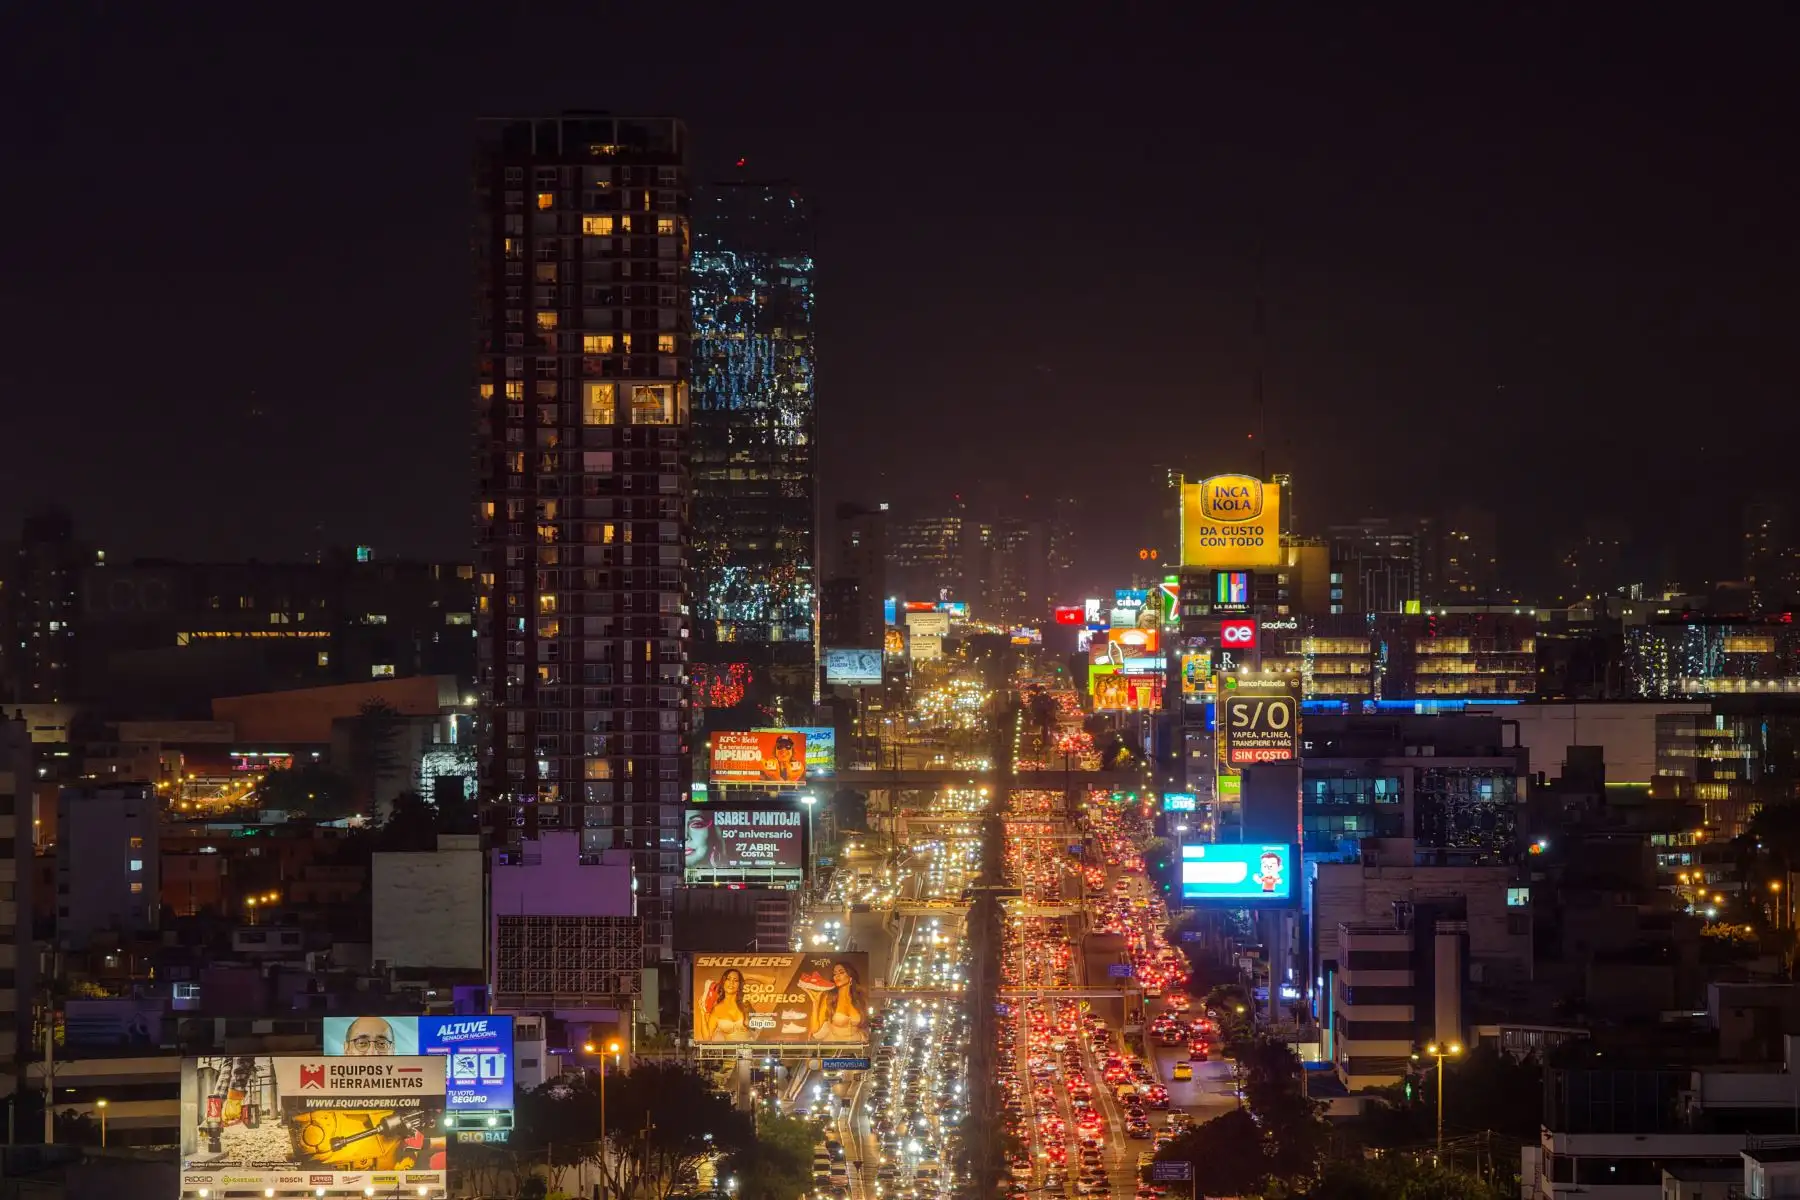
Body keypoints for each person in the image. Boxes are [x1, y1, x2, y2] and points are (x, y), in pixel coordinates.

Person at [809, 960, 865, 1042]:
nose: (837, 976)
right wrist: (815, 1003)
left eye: (841, 972)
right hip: (835, 1048)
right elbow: (815, 1029)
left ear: (850, 977)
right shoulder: (829, 997)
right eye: (835, 974)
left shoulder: (859, 998)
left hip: (857, 1049)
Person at [698, 968, 756, 1041]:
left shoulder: (746, 1003)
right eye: (728, 979)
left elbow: (770, 981)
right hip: (730, 1051)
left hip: (751, 1050)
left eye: (736, 980)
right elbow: (707, 1038)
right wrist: (702, 1014)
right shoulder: (716, 1009)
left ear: (739, 985)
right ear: (723, 982)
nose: (731, 983)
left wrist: (747, 976)